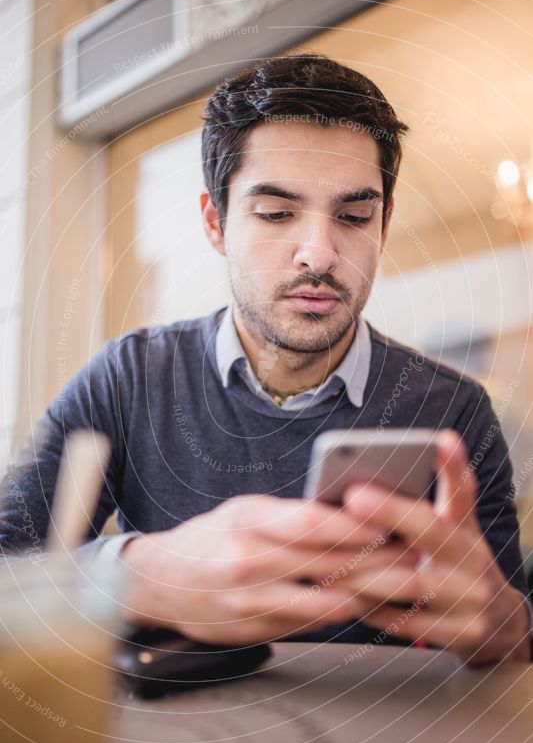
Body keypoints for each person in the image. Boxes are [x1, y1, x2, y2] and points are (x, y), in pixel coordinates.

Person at [1, 54, 530, 664]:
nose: (320, 254)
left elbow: (511, 634)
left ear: (382, 229)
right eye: (277, 213)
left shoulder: (453, 408)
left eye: (355, 217)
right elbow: (8, 571)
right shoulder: (127, 379)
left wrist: (503, 626)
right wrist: (139, 575)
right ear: (216, 223)